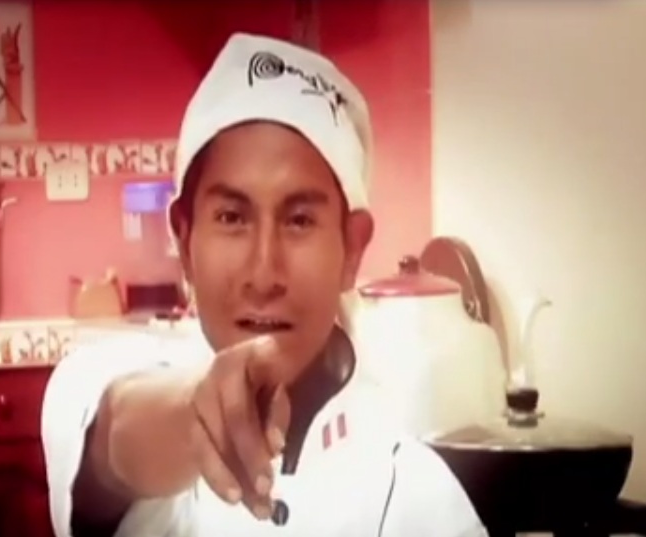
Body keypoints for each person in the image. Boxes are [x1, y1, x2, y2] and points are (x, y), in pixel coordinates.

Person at [41, 32, 487, 537]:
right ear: (184, 240)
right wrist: (193, 419)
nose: (263, 273)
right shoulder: (105, 379)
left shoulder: (418, 497)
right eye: (232, 217)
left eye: (299, 221)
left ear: (352, 248)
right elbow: (114, 434)